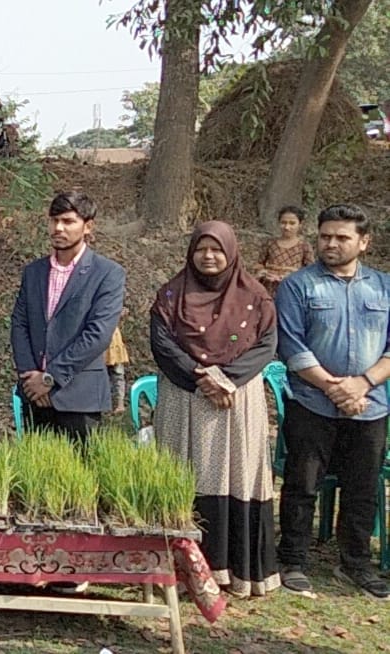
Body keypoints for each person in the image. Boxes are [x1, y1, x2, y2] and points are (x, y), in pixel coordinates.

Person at [150, 221, 280, 598]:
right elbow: (162, 345)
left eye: (217, 249)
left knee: (234, 476)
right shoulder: (171, 295)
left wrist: (226, 379)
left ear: (231, 253)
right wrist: (202, 377)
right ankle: (183, 573)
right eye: (201, 249)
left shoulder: (256, 297)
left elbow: (267, 345)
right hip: (184, 397)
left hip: (235, 402)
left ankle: (234, 572)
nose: (208, 256)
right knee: (184, 476)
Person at [275, 204, 390, 599]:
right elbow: (291, 345)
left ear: (364, 242)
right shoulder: (298, 286)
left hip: (370, 404)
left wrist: (361, 384)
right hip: (311, 403)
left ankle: (355, 564)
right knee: (302, 484)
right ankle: (293, 559)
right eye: (325, 236)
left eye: (342, 237)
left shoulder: (384, 287)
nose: (332, 244)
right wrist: (333, 388)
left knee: (361, 487)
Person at [10, 191, 125, 444]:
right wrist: (30, 375)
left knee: (80, 480)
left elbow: (98, 334)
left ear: (88, 226)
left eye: (68, 221)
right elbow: (20, 324)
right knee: (37, 477)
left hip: (79, 397)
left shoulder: (107, 274)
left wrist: (50, 378)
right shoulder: (34, 272)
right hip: (34, 395)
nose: (58, 228)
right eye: (54, 220)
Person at [255, 206, 314, 296]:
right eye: (283, 223)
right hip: (269, 289)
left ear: (300, 224)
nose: (287, 227)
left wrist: (291, 276)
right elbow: (259, 264)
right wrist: (264, 273)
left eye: (292, 223)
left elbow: (310, 271)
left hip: (292, 289)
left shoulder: (304, 246)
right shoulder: (270, 243)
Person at [105, 311, 130, 415]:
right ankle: (107, 405)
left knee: (118, 374)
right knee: (105, 376)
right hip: (104, 339)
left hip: (114, 341)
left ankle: (120, 404)